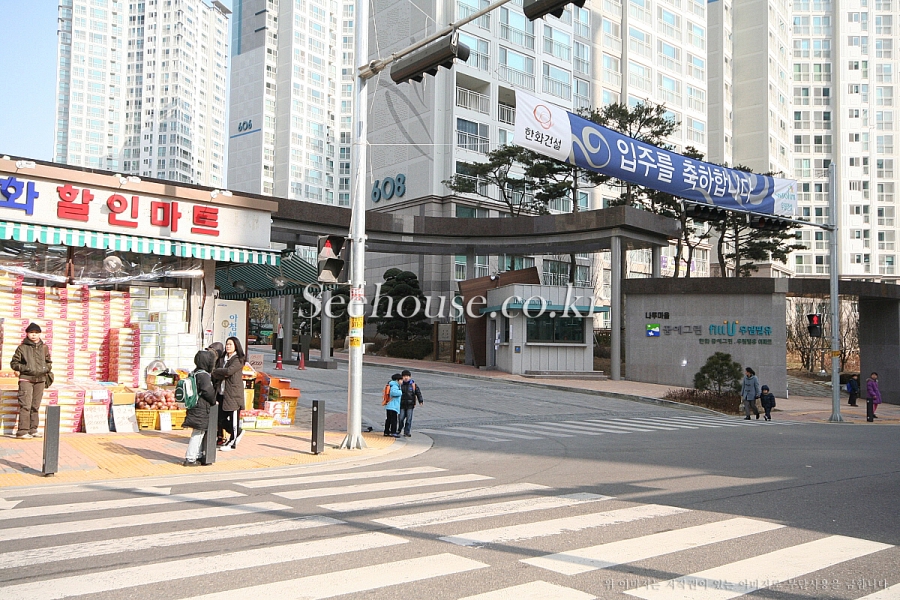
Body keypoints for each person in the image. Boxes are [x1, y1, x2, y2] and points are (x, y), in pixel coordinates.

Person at [10, 323, 53, 439]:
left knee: (35, 406)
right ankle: (22, 431)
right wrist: (27, 368)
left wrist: (46, 368)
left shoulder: (44, 347)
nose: (34, 335)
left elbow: (48, 362)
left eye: (36, 333)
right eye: (31, 333)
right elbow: (14, 363)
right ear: (27, 334)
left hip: (40, 380)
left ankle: (33, 429)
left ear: (40, 334)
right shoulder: (22, 348)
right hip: (26, 380)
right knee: (26, 406)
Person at [182, 351, 217, 466]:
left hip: (194, 406)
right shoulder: (203, 375)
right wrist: (213, 400)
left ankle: (198, 455)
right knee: (198, 432)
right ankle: (190, 458)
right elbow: (208, 391)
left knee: (199, 431)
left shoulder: (194, 373)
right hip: (201, 407)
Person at [212, 337, 246, 451]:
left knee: (233, 419)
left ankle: (232, 443)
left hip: (233, 394)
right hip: (221, 392)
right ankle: (237, 433)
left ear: (236, 346)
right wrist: (220, 373)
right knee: (220, 418)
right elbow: (217, 373)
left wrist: (218, 371)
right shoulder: (223, 358)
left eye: (230, 344)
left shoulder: (238, 359)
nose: (228, 346)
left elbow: (229, 371)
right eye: (227, 344)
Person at [206, 341, 226, 444]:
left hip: (220, 392)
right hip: (213, 390)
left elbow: (220, 375)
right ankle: (215, 434)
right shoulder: (211, 361)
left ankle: (220, 436)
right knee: (214, 414)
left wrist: (213, 373)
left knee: (220, 416)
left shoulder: (222, 362)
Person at [397, 369, 424, 437]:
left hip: (410, 405)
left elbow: (418, 393)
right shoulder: (400, 385)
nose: (406, 378)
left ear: (410, 377)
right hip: (401, 404)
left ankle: (407, 431)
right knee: (401, 418)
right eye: (404, 376)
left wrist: (420, 400)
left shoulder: (413, 385)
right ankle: (399, 428)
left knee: (409, 419)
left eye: (408, 376)